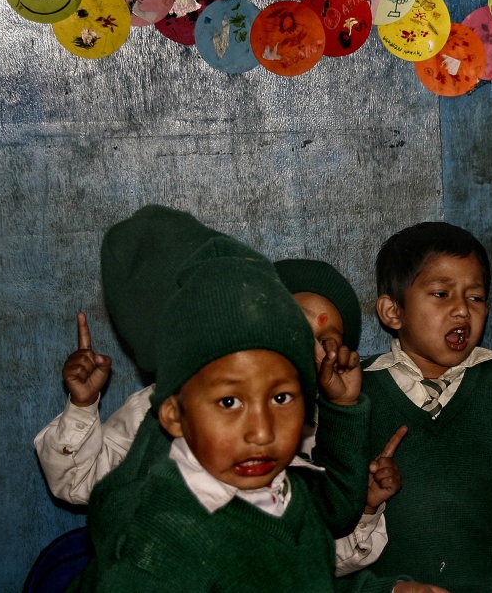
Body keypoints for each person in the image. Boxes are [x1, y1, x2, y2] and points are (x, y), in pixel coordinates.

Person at [68, 235, 442, 592]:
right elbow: (82, 485)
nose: (261, 431)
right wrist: (83, 406)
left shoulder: (293, 463)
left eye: (281, 398)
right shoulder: (161, 533)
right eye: (229, 402)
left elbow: (302, 567)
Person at [350, 221, 492, 593]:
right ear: (393, 311)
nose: (462, 310)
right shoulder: (355, 392)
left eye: (475, 297)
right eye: (441, 294)